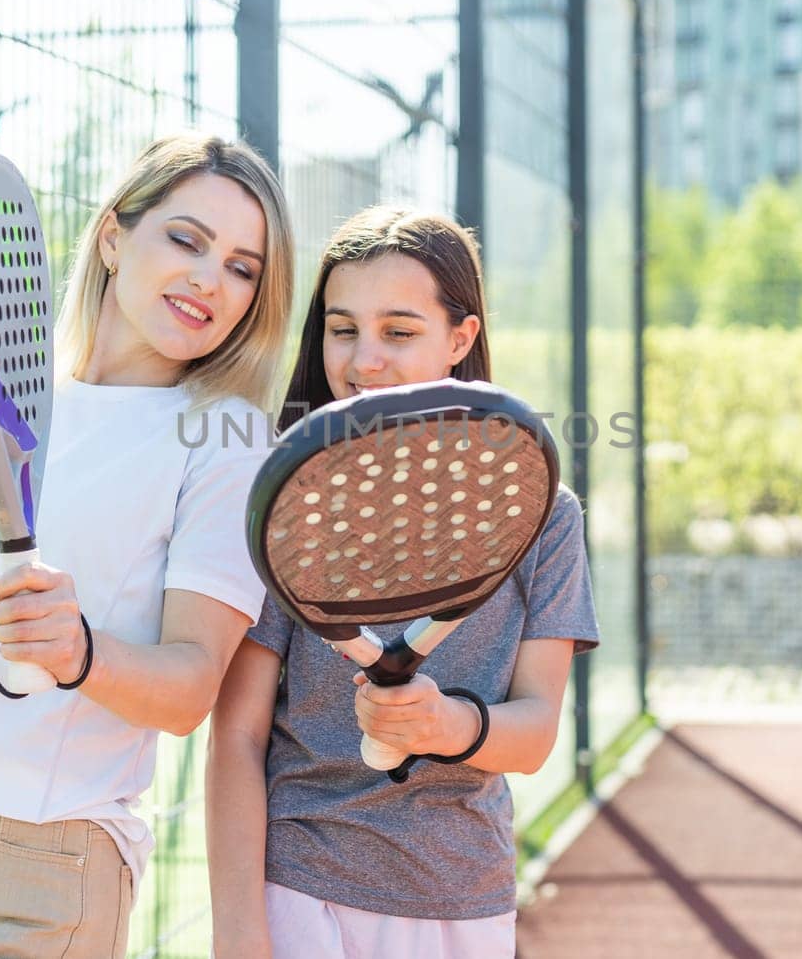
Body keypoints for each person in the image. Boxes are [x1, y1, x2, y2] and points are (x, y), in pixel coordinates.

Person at [0, 131, 295, 958]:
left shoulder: (225, 440)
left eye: (241, 267)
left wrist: (83, 652)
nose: (208, 279)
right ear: (114, 236)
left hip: (43, 860)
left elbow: (192, 687)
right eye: (186, 239)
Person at [205, 206, 599, 959]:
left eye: (399, 330)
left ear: (461, 338)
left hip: (466, 899)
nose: (362, 361)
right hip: (299, 890)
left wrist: (446, 726)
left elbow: (536, 729)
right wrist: (239, 934)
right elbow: (238, 733)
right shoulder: (289, 504)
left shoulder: (545, 516)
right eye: (342, 328)